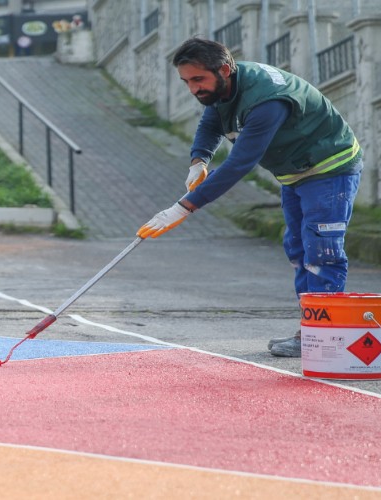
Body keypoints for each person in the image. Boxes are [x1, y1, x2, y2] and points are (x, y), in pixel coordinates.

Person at [137, 38, 362, 358]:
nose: (192, 89)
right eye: (186, 81)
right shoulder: (225, 87)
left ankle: (324, 337)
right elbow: (212, 119)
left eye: (198, 80)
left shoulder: (267, 102)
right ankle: (311, 330)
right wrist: (199, 159)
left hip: (330, 168)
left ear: (225, 69)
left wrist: (184, 207)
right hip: (295, 172)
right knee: (298, 249)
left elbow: (239, 163)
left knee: (321, 252)